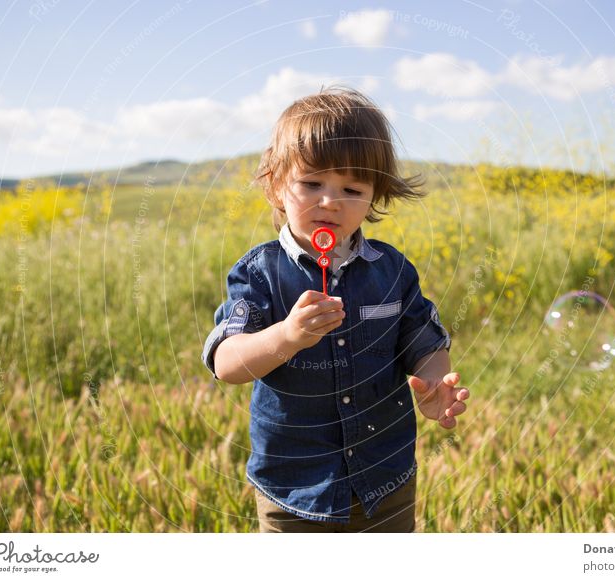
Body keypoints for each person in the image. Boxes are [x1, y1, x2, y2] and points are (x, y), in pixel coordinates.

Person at [201, 87, 470, 533]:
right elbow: (227, 362)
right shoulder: (260, 273)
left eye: (351, 188)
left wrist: (434, 383)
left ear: (374, 196)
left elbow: (423, 341)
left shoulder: (392, 270)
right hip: (293, 488)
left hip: (385, 480)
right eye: (312, 184)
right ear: (275, 186)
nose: (331, 202)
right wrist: (285, 336)